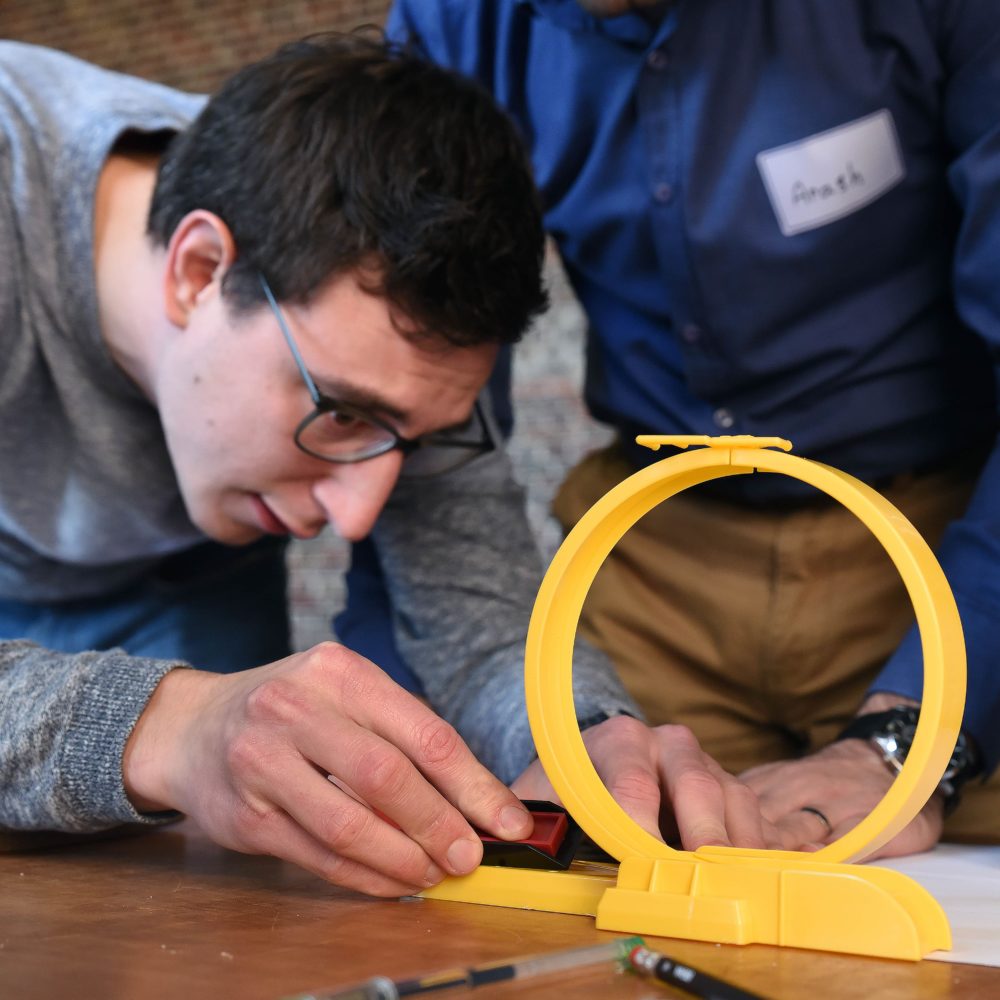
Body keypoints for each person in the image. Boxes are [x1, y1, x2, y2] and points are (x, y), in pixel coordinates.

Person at [0, 32, 780, 896]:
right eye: (340, 413)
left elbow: (476, 622)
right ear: (199, 270)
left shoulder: (400, 338)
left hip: (183, 579)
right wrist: (169, 726)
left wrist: (583, 734)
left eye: (414, 443)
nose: (359, 515)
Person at [379, 0, 1000, 858]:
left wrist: (914, 735)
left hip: (944, 559)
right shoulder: (455, 23)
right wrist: (399, 705)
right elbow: (411, 413)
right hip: (650, 572)